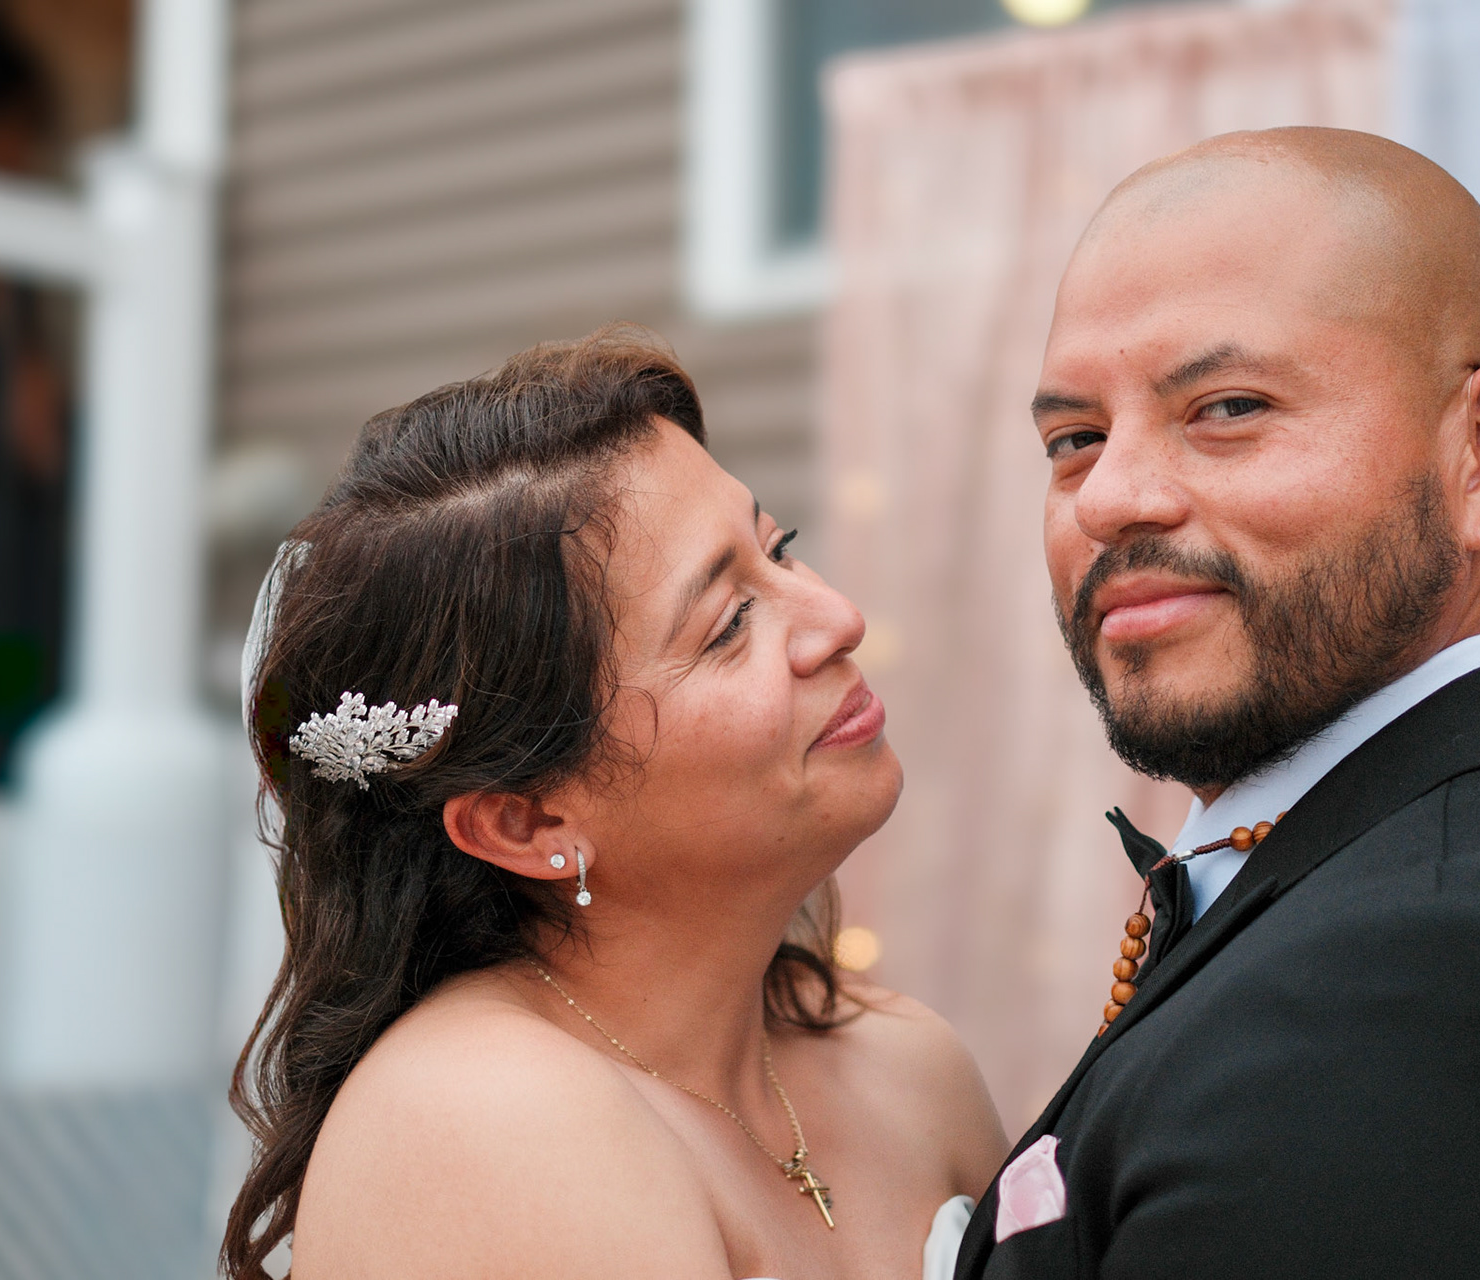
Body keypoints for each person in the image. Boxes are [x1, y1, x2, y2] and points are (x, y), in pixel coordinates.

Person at [954, 127, 1480, 1278]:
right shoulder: (1366, 888)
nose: (1109, 496)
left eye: (1228, 407)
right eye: (1075, 439)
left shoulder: (1436, 975)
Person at [222, 329, 1007, 1280]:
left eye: (781, 551)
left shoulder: (908, 1064)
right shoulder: (478, 1118)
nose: (839, 620)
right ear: (528, 823)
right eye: (729, 625)